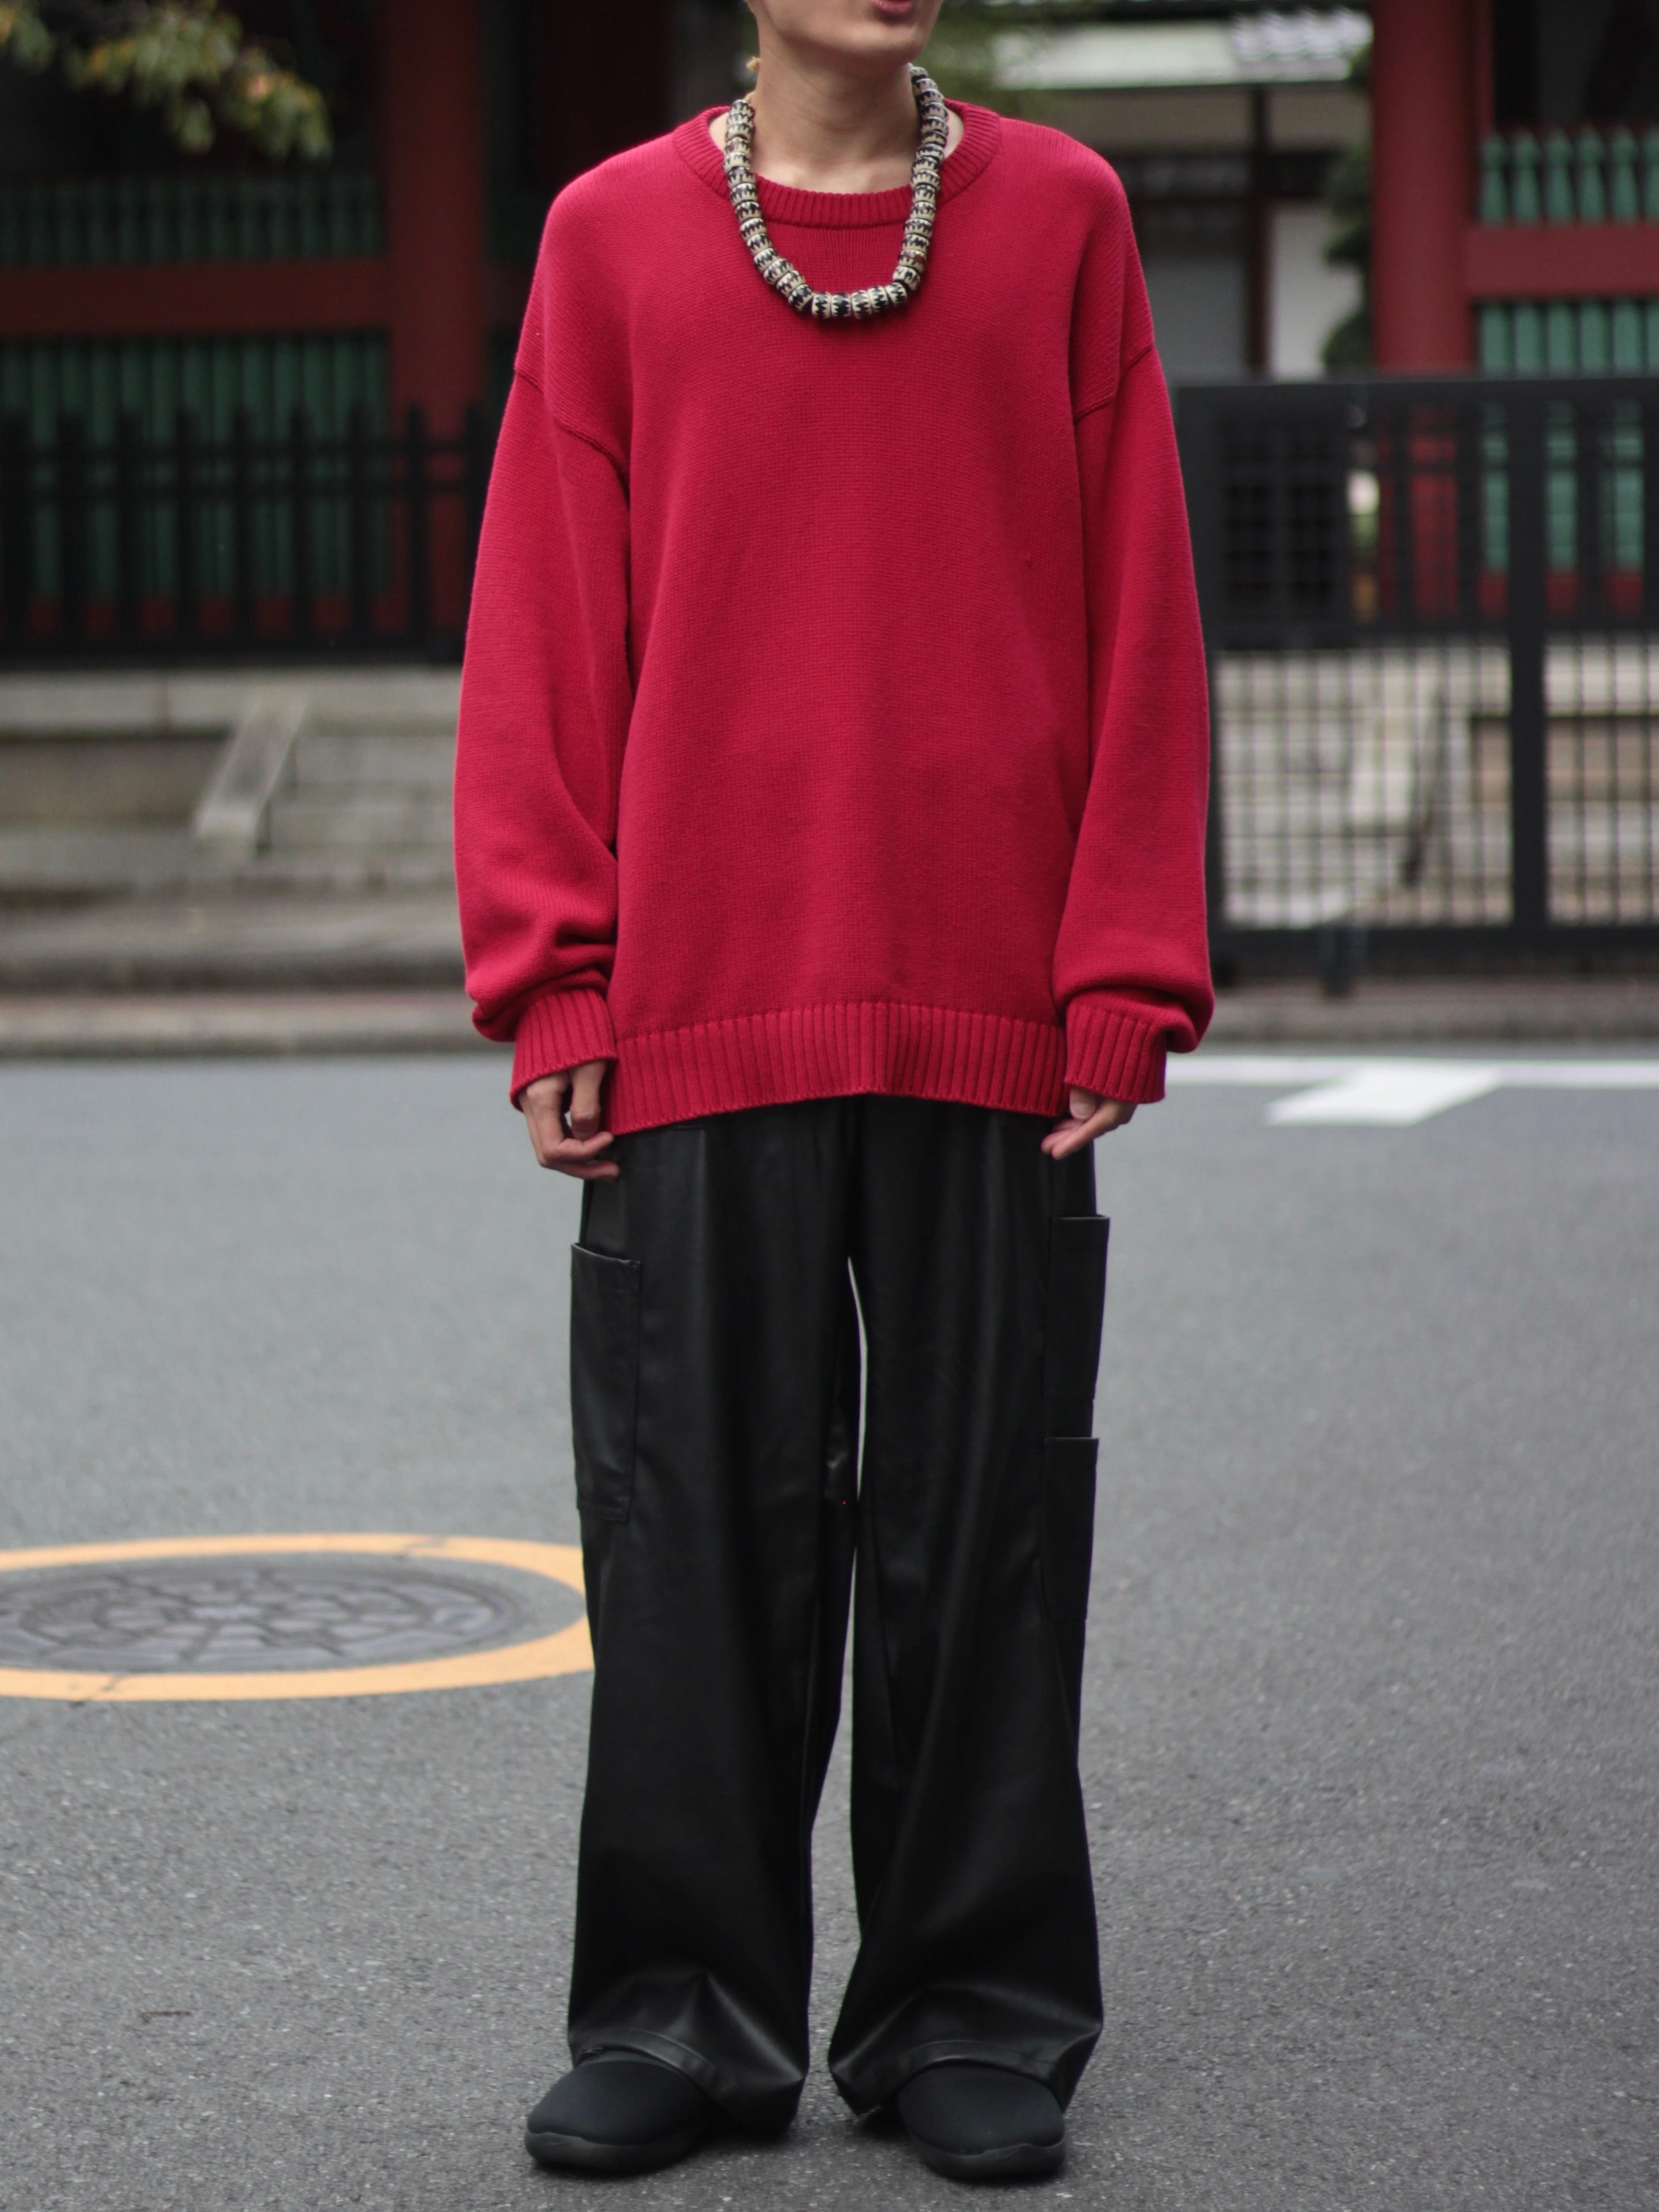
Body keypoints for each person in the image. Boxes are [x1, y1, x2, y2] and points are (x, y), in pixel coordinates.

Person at [454, 0, 1211, 2184]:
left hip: (992, 996)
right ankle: (679, 2014)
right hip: (700, 995)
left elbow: (1141, 605)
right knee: (693, 1525)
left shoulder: (1063, 219)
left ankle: (968, 2006)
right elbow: (544, 617)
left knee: (984, 1522)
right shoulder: (609, 237)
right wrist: (553, 977)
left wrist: (1123, 968)